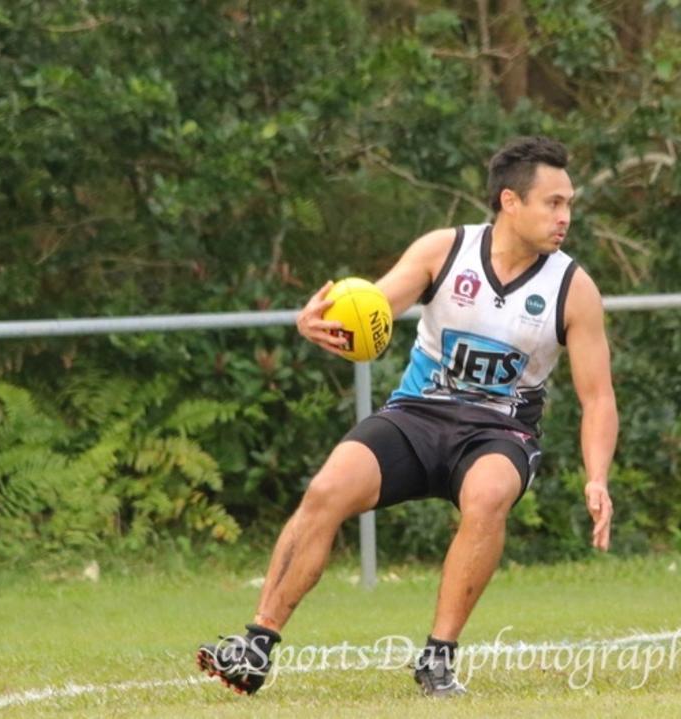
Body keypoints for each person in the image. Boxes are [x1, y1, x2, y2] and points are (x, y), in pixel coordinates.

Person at [196, 136, 618, 696]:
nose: (566, 216)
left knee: (489, 496)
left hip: (499, 431)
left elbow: (599, 397)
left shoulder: (572, 287)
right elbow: (374, 306)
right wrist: (325, 323)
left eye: (569, 203)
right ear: (510, 202)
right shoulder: (444, 250)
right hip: (417, 415)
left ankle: (438, 660)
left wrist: (597, 477)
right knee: (327, 489)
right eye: (554, 202)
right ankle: (256, 644)